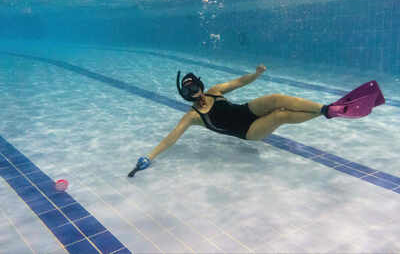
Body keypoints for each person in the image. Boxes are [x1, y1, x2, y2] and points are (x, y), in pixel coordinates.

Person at [128, 65, 385, 177]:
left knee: (275, 98)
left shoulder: (216, 91)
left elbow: (239, 82)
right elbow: (171, 138)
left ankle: (328, 108)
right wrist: (149, 157)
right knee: (280, 115)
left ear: (200, 85)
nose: (193, 93)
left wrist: (256, 74)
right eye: (187, 92)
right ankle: (328, 112)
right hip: (247, 130)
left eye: (194, 86)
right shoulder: (193, 116)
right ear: (184, 96)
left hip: (245, 112)